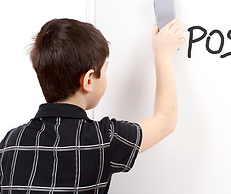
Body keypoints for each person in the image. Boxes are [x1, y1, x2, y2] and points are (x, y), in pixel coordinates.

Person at [0, 18, 186, 194]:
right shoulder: (102, 139)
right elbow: (166, 119)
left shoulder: (10, 143)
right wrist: (163, 55)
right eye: (105, 70)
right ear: (88, 80)